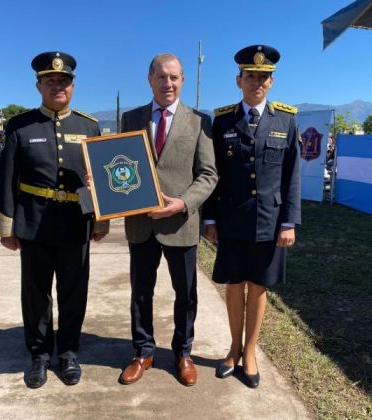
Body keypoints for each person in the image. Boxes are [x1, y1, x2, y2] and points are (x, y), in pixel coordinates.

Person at [0, 51, 109, 389]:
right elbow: (6, 179)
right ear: (39, 85)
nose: (57, 86)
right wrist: (7, 226)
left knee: (74, 293)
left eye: (63, 81)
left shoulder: (89, 127)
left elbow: (102, 178)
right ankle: (39, 355)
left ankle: (69, 352)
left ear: (72, 86)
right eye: (51, 81)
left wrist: (101, 220)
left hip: (76, 223)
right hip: (33, 223)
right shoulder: (19, 126)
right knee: (36, 294)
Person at [203, 44, 301, 388]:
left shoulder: (286, 120)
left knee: (258, 286)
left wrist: (289, 222)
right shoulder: (222, 120)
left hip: (269, 221)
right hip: (231, 219)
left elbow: (291, 176)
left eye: (263, 77)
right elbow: (212, 173)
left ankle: (250, 350)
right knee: (234, 284)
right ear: (238, 80)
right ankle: (231, 348)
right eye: (250, 76)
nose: (256, 82)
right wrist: (210, 219)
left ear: (271, 82)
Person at [118, 53, 217, 387]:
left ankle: (183, 352)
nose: (168, 83)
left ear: (183, 80)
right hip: (141, 223)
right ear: (149, 79)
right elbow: (121, 166)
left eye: (174, 77)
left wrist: (182, 204)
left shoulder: (199, 121)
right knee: (140, 293)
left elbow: (208, 174)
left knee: (186, 294)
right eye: (161, 77)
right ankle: (143, 352)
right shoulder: (130, 118)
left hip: (181, 224)